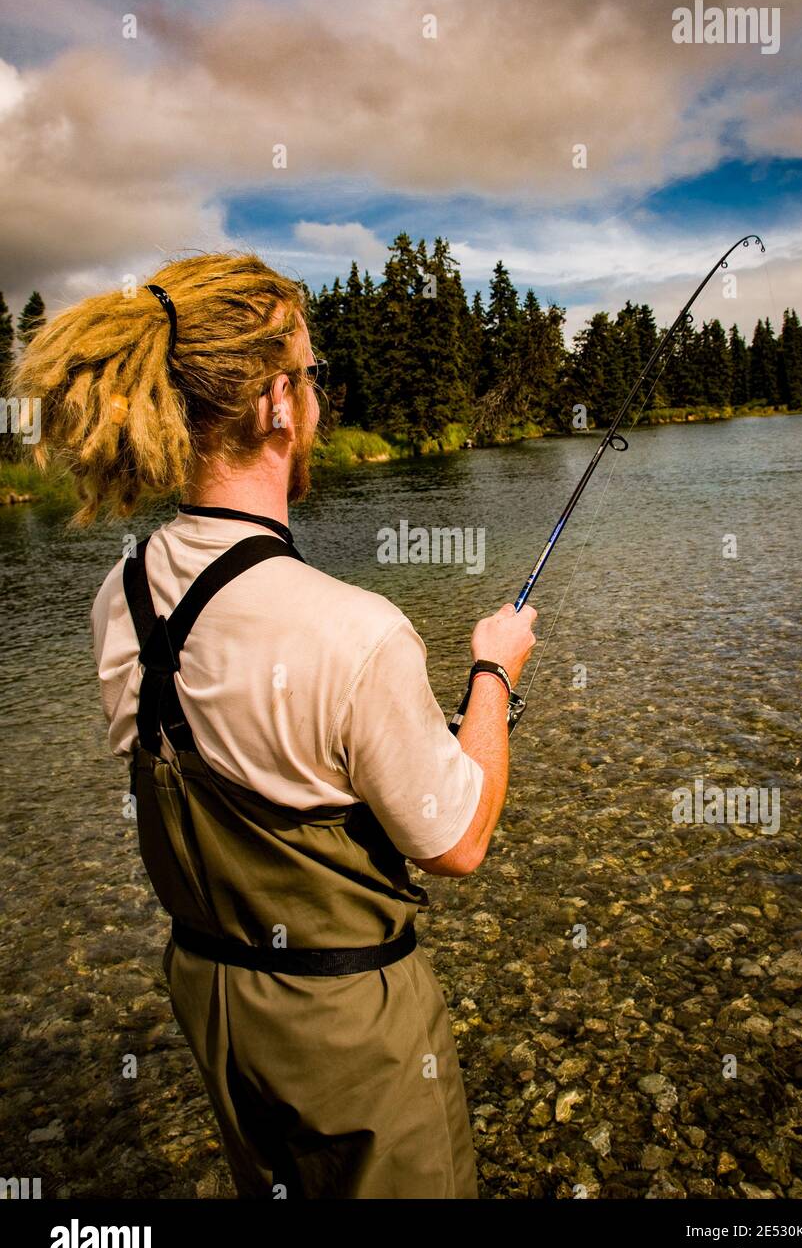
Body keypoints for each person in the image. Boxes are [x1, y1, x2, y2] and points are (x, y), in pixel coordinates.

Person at [15, 252, 537, 1199]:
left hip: (215, 1009)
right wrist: (493, 671)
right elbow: (458, 842)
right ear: (275, 406)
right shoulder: (356, 630)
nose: (318, 400)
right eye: (312, 375)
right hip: (349, 1034)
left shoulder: (117, 596)